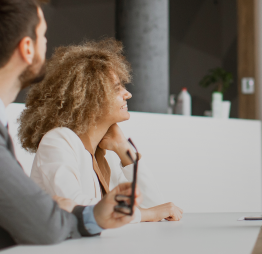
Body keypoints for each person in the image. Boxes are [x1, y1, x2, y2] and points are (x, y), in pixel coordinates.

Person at [0, 0, 139, 254]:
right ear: (26, 48)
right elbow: (42, 222)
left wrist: (81, 213)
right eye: (43, 35)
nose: (46, 45)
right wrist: (72, 214)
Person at [19, 39, 183, 223]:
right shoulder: (57, 141)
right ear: (89, 98)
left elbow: (157, 207)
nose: (127, 94)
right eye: (117, 88)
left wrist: (124, 149)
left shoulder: (105, 154)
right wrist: (149, 214)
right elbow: (77, 209)